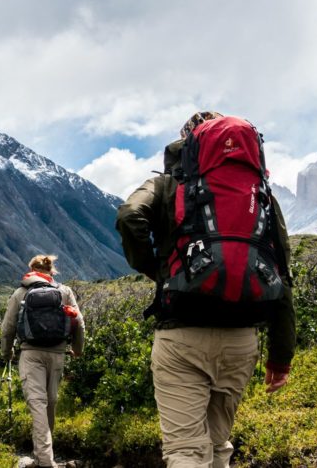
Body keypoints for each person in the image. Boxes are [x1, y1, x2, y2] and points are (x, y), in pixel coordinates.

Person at [116, 111, 296, 468]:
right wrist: (281, 355)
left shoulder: (167, 185)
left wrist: (157, 271)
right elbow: (281, 270)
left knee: (186, 449)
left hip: (182, 334)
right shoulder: (260, 193)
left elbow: (129, 216)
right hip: (241, 341)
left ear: (188, 144)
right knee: (217, 444)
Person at [1, 255, 85, 468]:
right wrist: (77, 350)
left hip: (30, 354)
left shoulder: (20, 293)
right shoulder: (64, 291)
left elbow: (8, 328)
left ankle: (45, 461)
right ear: (51, 271)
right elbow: (79, 322)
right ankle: (43, 457)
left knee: (37, 403)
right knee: (50, 403)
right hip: (57, 354)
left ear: (31, 270)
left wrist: (7, 353)